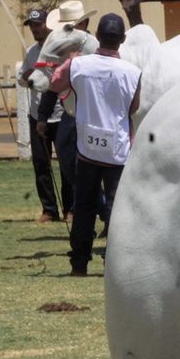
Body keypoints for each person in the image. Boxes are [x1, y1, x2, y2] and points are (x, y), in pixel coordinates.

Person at [51, 14, 141, 277]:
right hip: (118, 150)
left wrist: (68, 61)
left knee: (84, 206)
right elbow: (133, 107)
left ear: (97, 37)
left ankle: (79, 263)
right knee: (116, 207)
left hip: (87, 148)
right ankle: (113, 263)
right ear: (122, 40)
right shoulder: (133, 72)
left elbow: (56, 84)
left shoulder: (78, 64)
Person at [34, 2, 100, 232]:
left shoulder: (98, 48)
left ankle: (100, 216)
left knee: (97, 169)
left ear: (83, 24)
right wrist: (42, 116)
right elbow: (51, 83)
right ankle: (99, 208)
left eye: (69, 27)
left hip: (95, 118)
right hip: (70, 115)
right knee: (70, 167)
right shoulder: (60, 49)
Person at [18, 8, 65, 223]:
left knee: (67, 164)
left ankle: (71, 208)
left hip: (62, 114)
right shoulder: (31, 52)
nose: (35, 29)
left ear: (48, 24)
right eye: (32, 26)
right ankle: (49, 210)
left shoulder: (61, 48)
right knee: (40, 163)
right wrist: (29, 75)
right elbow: (23, 78)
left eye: (38, 25)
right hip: (37, 115)